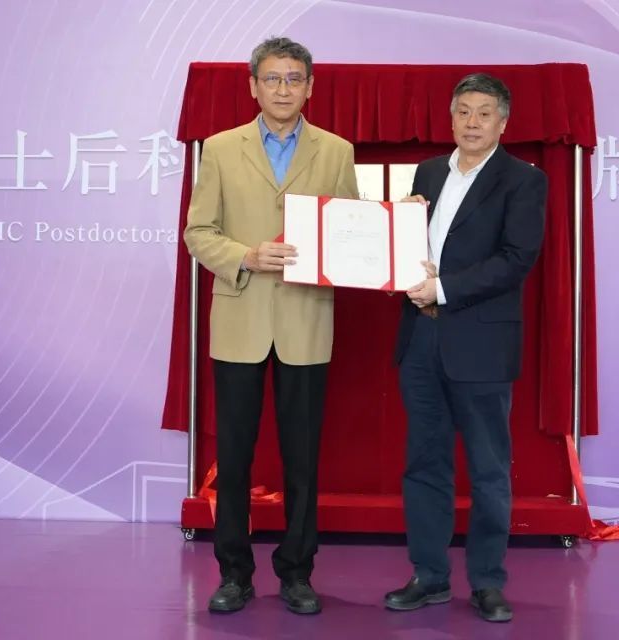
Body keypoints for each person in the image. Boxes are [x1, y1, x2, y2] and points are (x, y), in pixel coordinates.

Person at [183, 36, 358, 615]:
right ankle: (234, 573)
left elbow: (348, 232)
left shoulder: (336, 151)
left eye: (294, 78)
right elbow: (198, 232)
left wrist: (387, 243)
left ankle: (298, 572)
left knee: (302, 458)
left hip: (306, 320)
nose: (284, 89)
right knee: (234, 458)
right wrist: (246, 256)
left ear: (310, 87)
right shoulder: (219, 148)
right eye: (273, 78)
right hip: (241, 317)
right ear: (253, 86)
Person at [384, 73, 547, 623]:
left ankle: (487, 582)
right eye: (463, 112)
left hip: (481, 342)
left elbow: (516, 259)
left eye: (484, 113)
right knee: (424, 463)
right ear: (451, 117)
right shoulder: (429, 171)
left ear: (503, 122)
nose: (472, 122)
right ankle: (428, 575)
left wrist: (444, 288)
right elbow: (412, 247)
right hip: (420, 337)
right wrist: (394, 236)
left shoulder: (524, 180)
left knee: (488, 469)